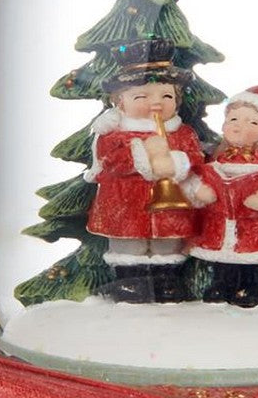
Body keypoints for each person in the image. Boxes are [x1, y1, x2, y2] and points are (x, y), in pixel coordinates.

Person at [85, 39, 204, 303]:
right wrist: (143, 151)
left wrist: (176, 163)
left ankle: (166, 281)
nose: (156, 104)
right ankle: (130, 281)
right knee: (130, 244)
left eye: (166, 96)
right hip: (125, 203)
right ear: (120, 102)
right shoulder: (114, 135)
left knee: (167, 242)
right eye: (142, 97)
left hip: (170, 206)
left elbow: (196, 159)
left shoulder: (182, 133)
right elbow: (111, 162)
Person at [185, 85, 258, 307]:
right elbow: (203, 176)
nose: (239, 127)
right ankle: (223, 284)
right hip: (220, 222)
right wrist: (200, 192)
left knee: (255, 258)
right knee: (223, 259)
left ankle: (254, 286)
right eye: (234, 119)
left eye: (253, 123)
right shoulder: (218, 155)